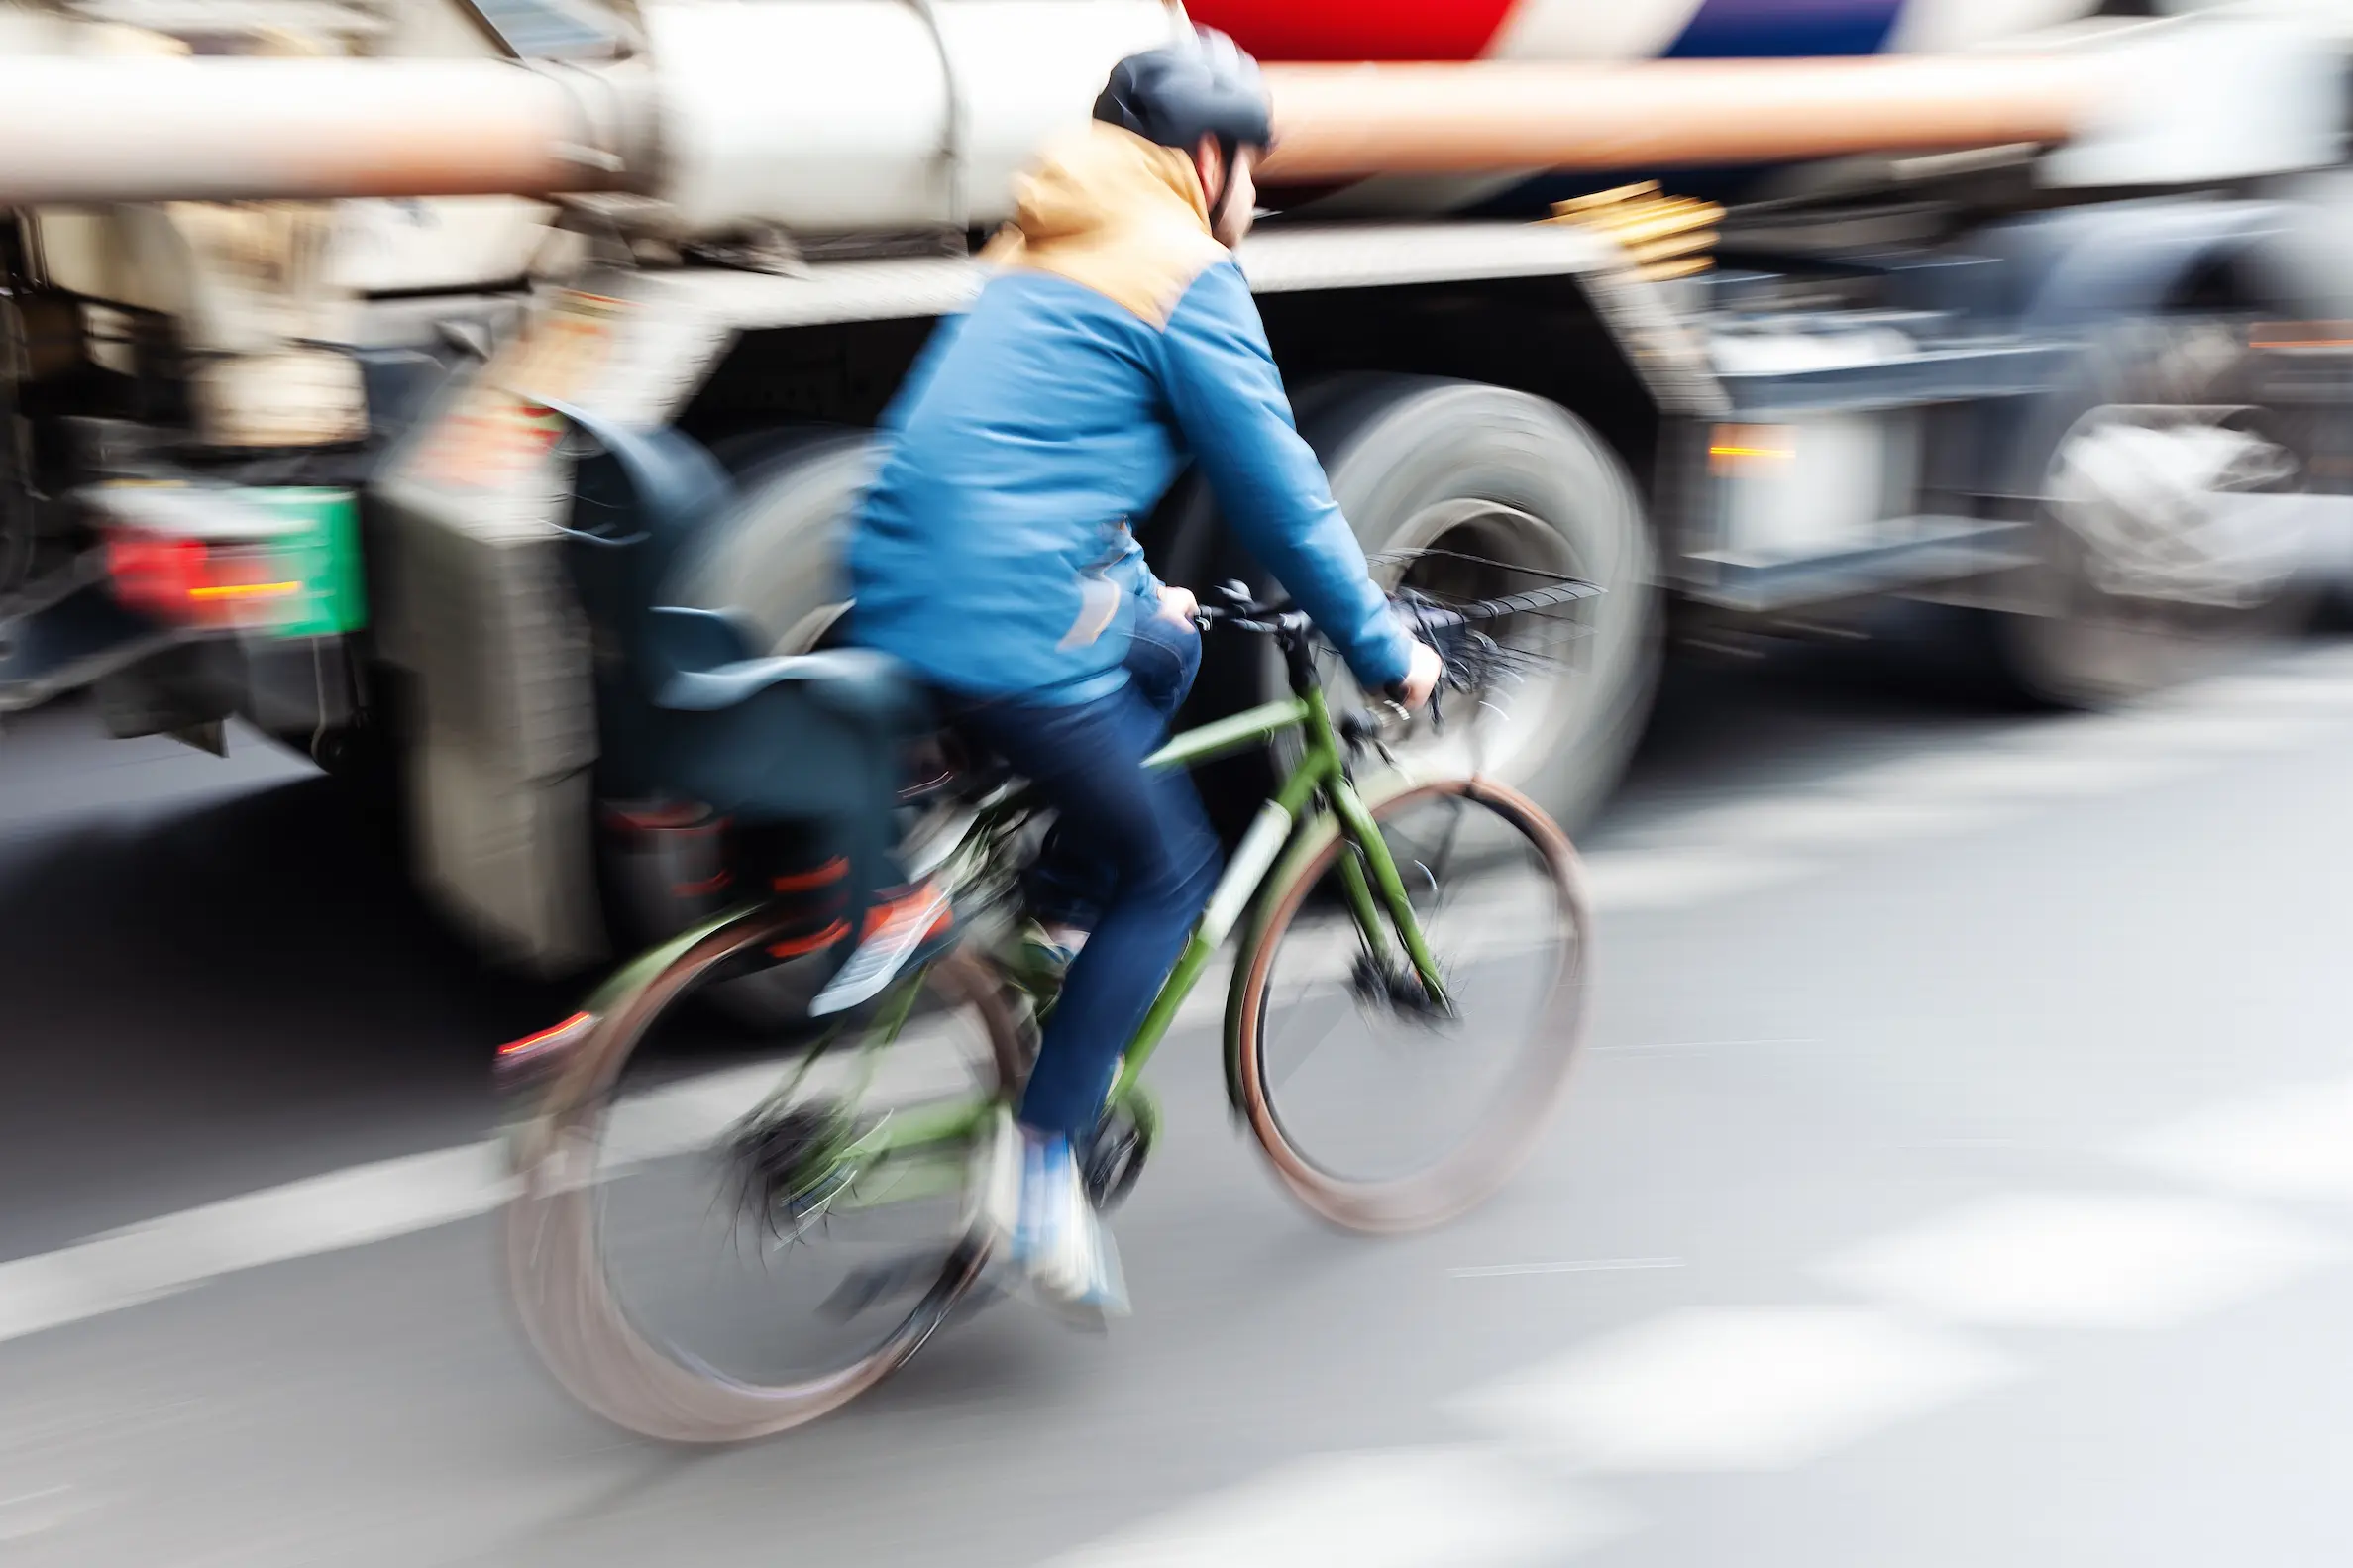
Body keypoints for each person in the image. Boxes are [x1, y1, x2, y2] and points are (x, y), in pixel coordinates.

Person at [846, 28, 1443, 1315]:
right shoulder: (1185, 270)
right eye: (1253, 169)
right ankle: (1040, 1170)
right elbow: (1282, 495)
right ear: (1206, 158)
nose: (1257, 198)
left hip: (905, 587)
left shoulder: (1038, 246)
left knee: (1166, 640)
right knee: (1171, 869)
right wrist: (1385, 650)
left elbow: (1023, 450)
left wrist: (1130, 582)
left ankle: (1048, 919)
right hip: (1010, 616)